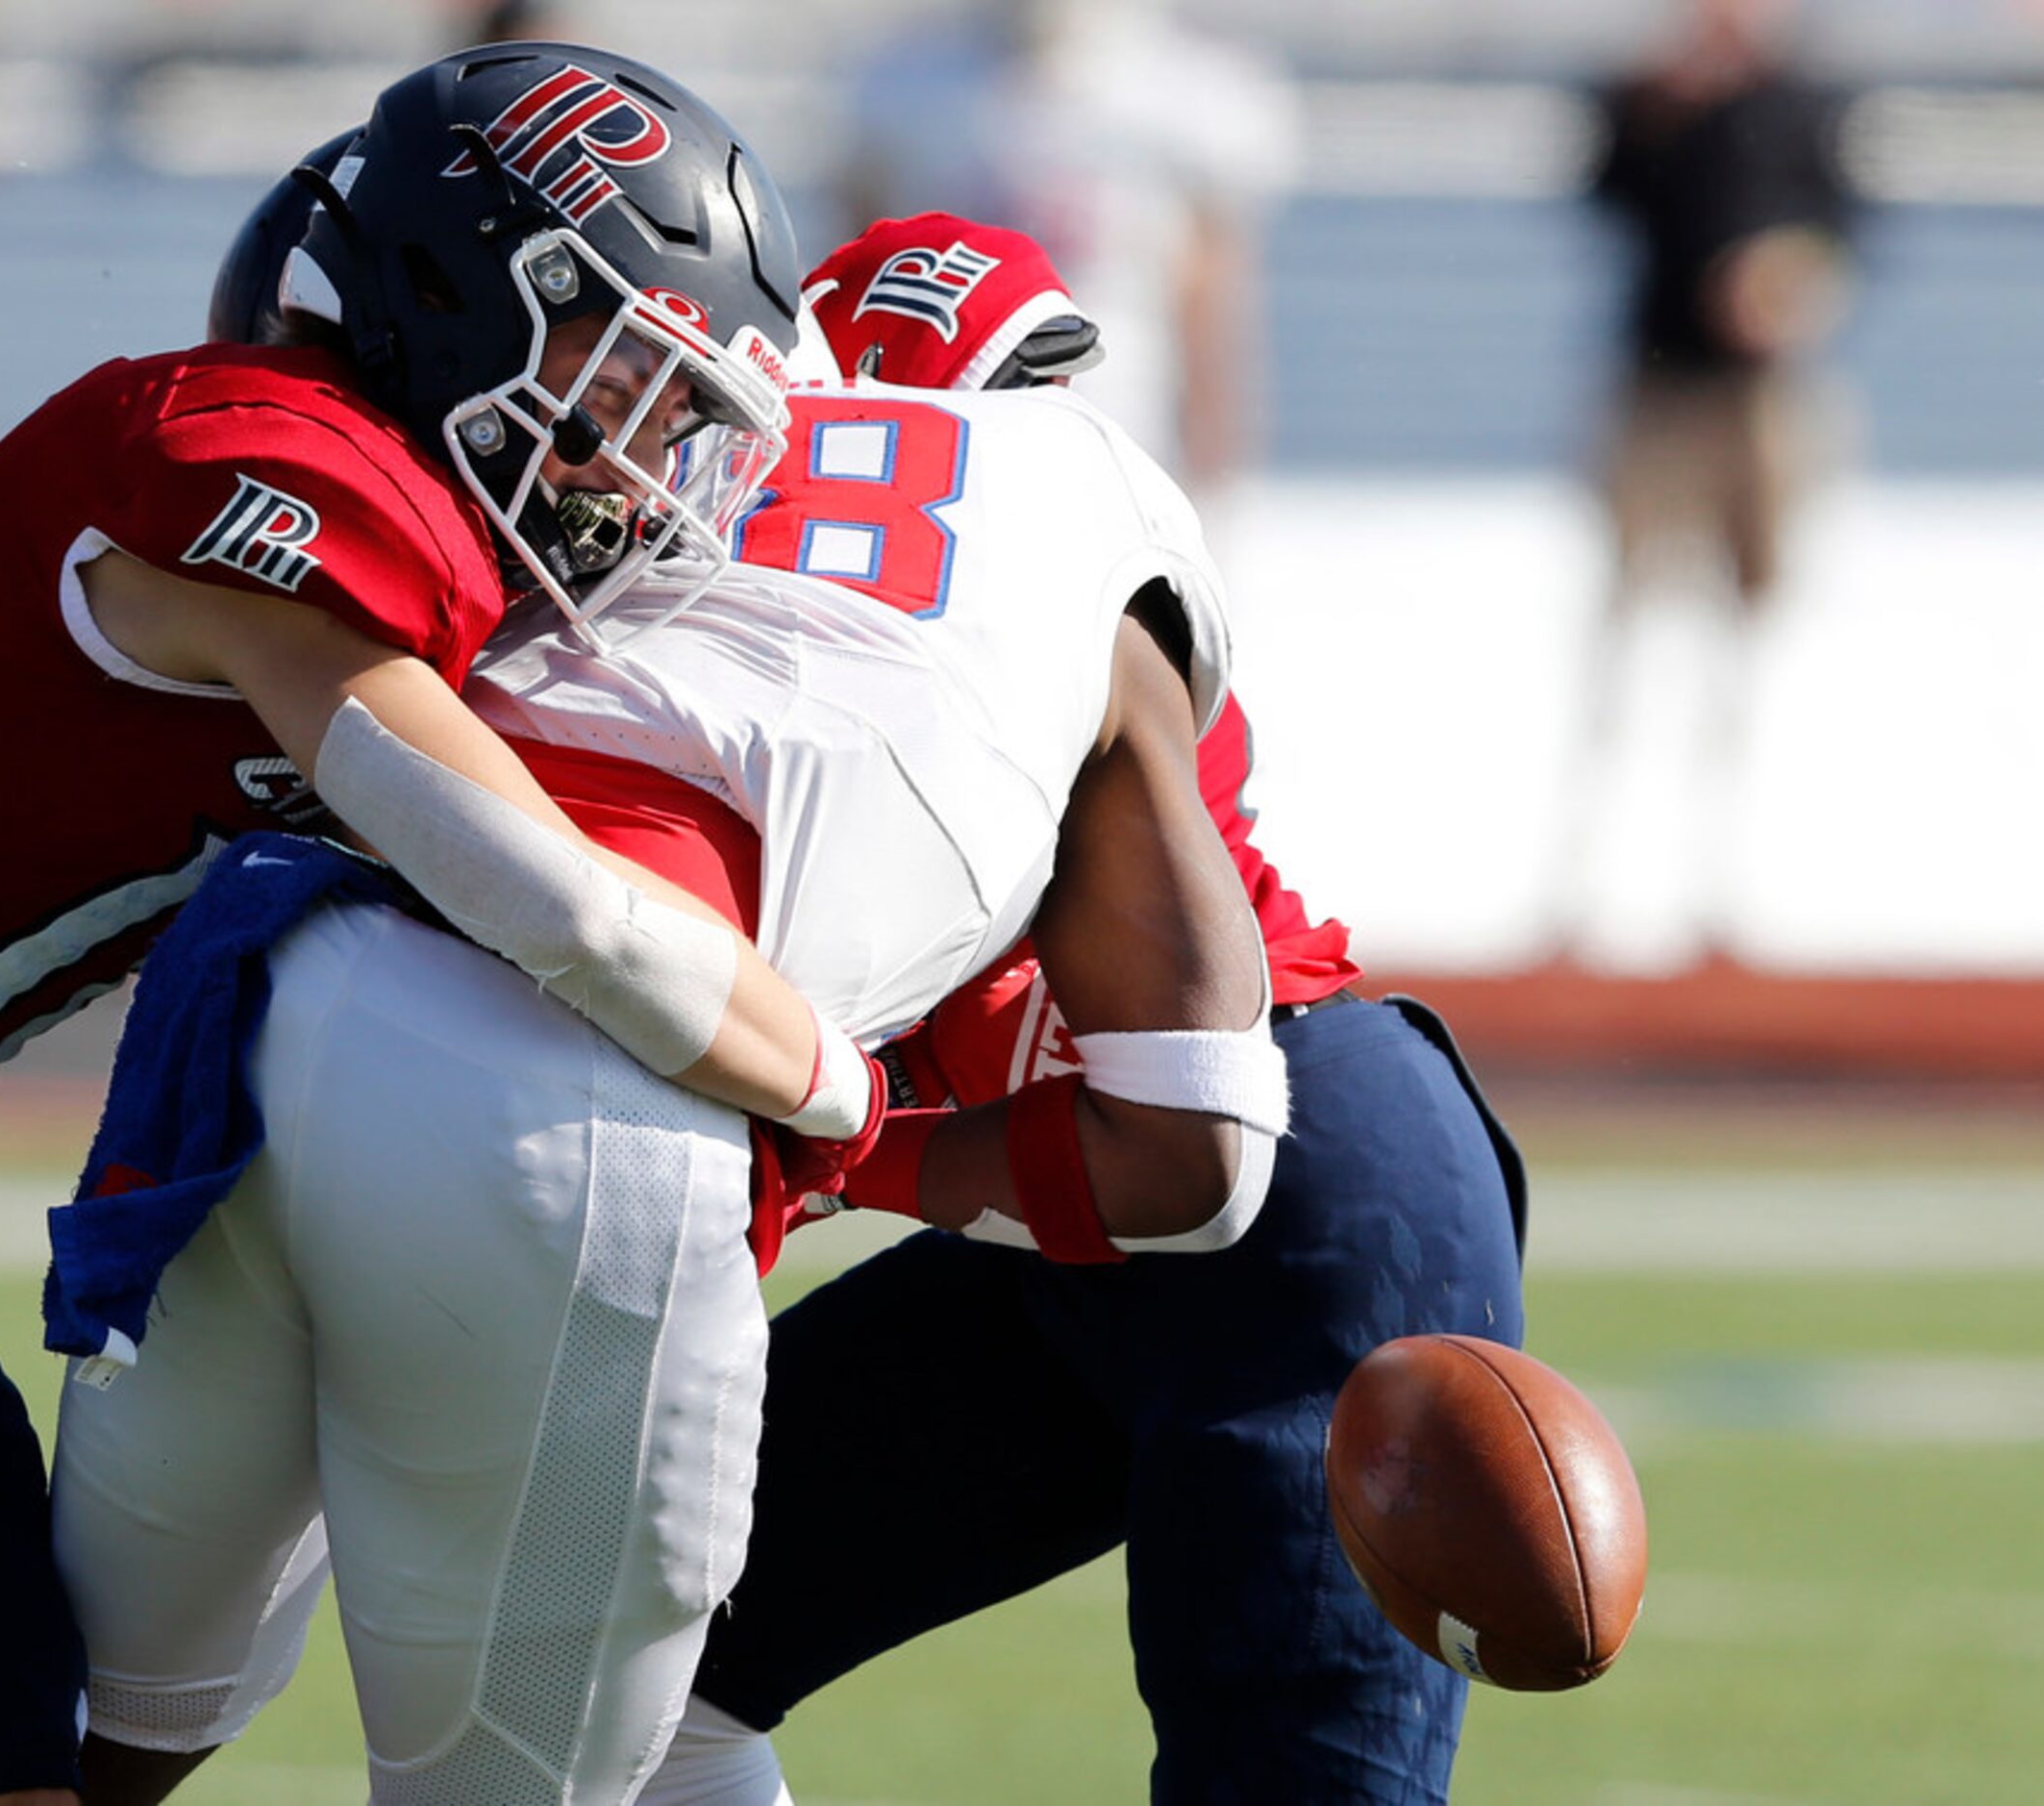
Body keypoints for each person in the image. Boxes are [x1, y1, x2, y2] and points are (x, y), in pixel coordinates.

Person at [0, 43, 857, 1806]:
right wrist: (836, 1077)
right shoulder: (261, 475)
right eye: (620, 364)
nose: (643, 447)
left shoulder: (325, 497)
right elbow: (556, 901)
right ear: (455, 295)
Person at [43, 202, 1287, 1802]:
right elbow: (1194, 1142)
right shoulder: (1091, 512)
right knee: (542, 1782)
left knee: (61, 1743)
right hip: (578, 1102)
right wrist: (849, 1132)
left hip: (276, 996)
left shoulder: (617, 443)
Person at [636, 217, 1531, 1806]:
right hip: (1085, 1208)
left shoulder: (1053, 642)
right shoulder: (888, 624)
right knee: (628, 1645)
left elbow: (1184, 1143)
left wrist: (836, 1147)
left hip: (1288, 1179)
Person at [1572, 0, 1861, 959]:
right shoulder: (1651, 100)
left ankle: (1727, 888)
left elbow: (1847, 234)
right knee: (1629, 628)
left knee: (1753, 631)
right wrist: (1666, 107)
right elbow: (1602, 192)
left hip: (1763, 399)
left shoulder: (1807, 106)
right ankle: (1588, 883)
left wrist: (1786, 285)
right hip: (1659, 391)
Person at [834, 0, 1297, 494]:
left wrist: (1211, 477)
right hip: (950, 438)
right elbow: (859, 296)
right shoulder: (911, 84)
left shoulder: (1193, 93)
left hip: (1125, 436)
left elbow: (1207, 316)